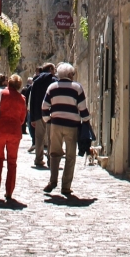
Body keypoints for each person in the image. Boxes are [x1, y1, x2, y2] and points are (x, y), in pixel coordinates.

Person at [41, 62, 90, 196]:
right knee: (70, 156)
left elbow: (44, 107)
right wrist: (86, 121)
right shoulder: (77, 88)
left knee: (54, 154)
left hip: (55, 125)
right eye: (73, 74)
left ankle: (53, 181)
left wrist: (48, 120)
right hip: (72, 126)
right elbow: (82, 108)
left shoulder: (52, 87)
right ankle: (66, 186)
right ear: (69, 74)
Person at [0, 74, 28, 202]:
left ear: (8, 83)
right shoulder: (22, 99)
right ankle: (9, 191)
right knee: (12, 161)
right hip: (14, 132)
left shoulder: (0, 94)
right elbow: (22, 119)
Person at [29, 63, 56, 168]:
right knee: (51, 137)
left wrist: (32, 117)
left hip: (38, 113)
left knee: (39, 137)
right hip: (50, 112)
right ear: (50, 69)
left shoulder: (36, 82)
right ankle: (51, 159)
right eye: (54, 69)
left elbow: (32, 101)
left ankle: (38, 159)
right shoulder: (54, 81)